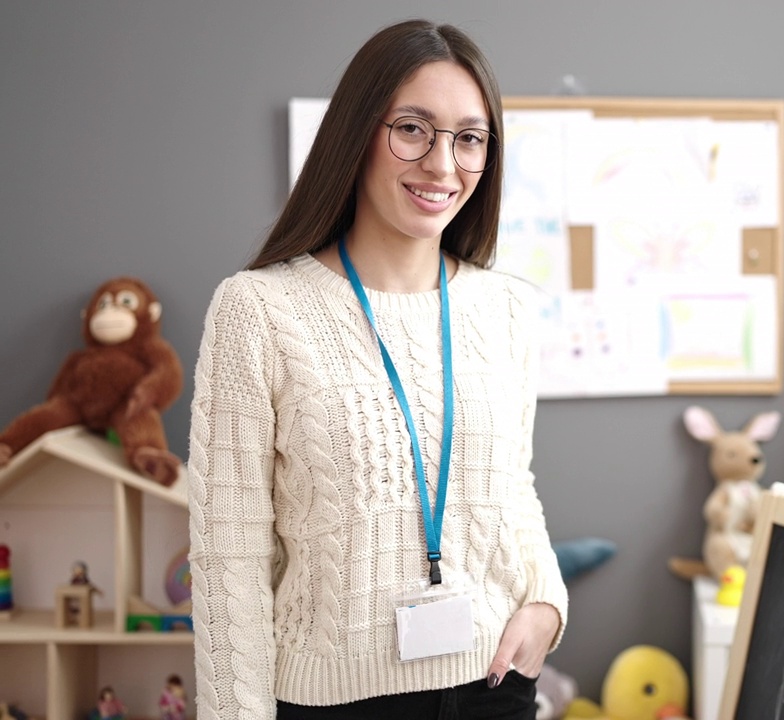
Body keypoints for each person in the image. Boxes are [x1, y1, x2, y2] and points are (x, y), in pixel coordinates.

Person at [187, 19, 567, 720]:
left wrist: (546, 599)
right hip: (334, 701)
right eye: (414, 129)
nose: (443, 165)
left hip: (492, 686)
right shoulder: (260, 310)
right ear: (358, 133)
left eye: (469, 139)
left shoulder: (506, 307)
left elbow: (512, 487)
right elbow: (229, 561)